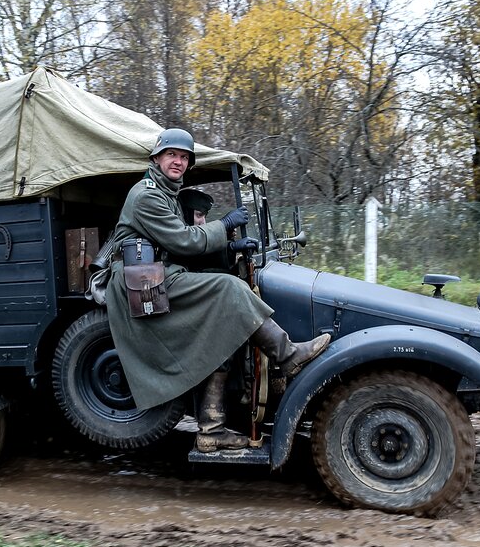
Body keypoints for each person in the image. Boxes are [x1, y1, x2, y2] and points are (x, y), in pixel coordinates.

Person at [105, 127, 331, 452]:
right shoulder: (147, 195)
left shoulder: (167, 193)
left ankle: (211, 430)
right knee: (229, 288)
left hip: (159, 273)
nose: (178, 162)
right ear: (156, 158)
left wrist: (231, 246)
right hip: (142, 281)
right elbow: (184, 241)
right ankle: (288, 355)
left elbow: (179, 244)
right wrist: (224, 225)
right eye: (171, 155)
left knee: (220, 325)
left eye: (184, 157)